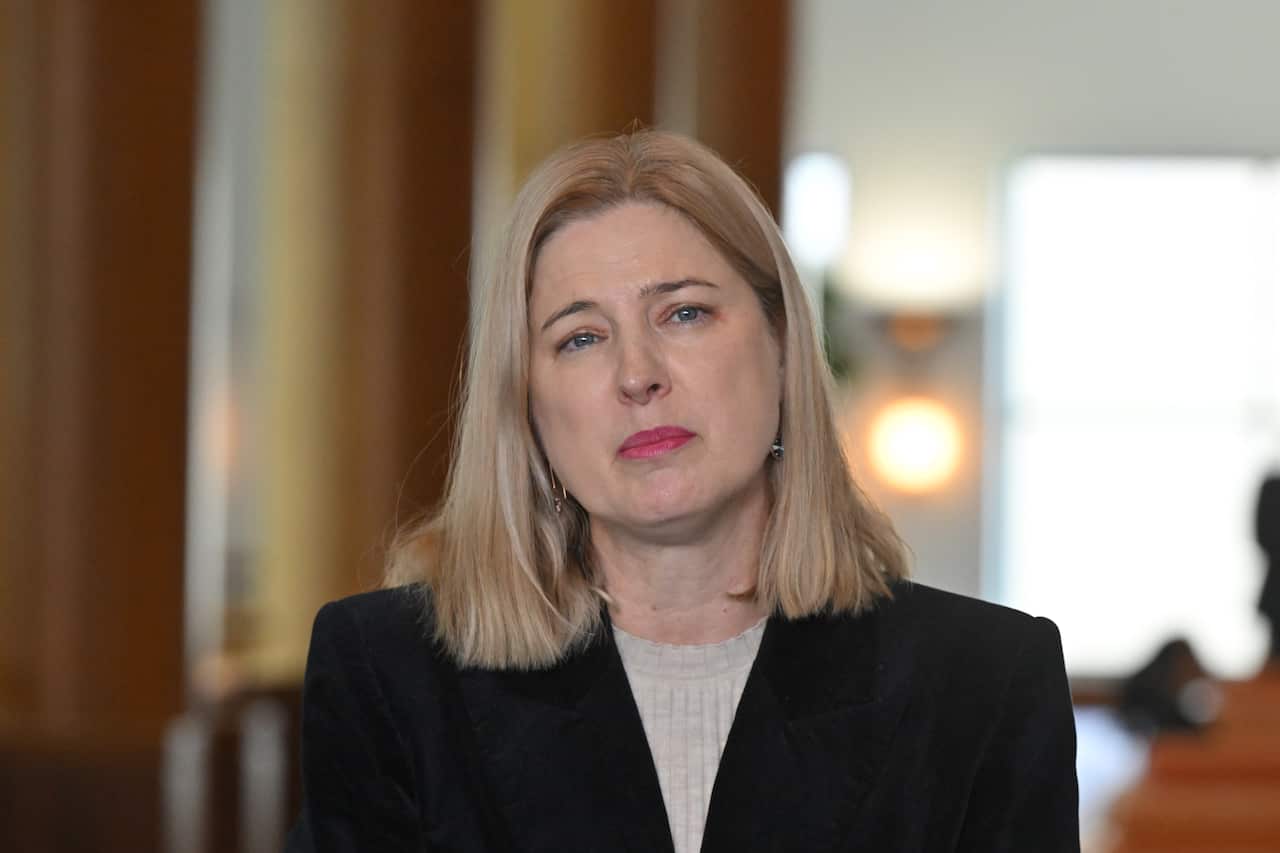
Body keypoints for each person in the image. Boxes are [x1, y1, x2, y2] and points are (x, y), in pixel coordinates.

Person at [285, 129, 1079, 852]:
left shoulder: (985, 682)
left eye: (685, 313)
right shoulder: (389, 674)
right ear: (527, 405)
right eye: (581, 337)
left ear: (783, 347)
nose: (638, 375)